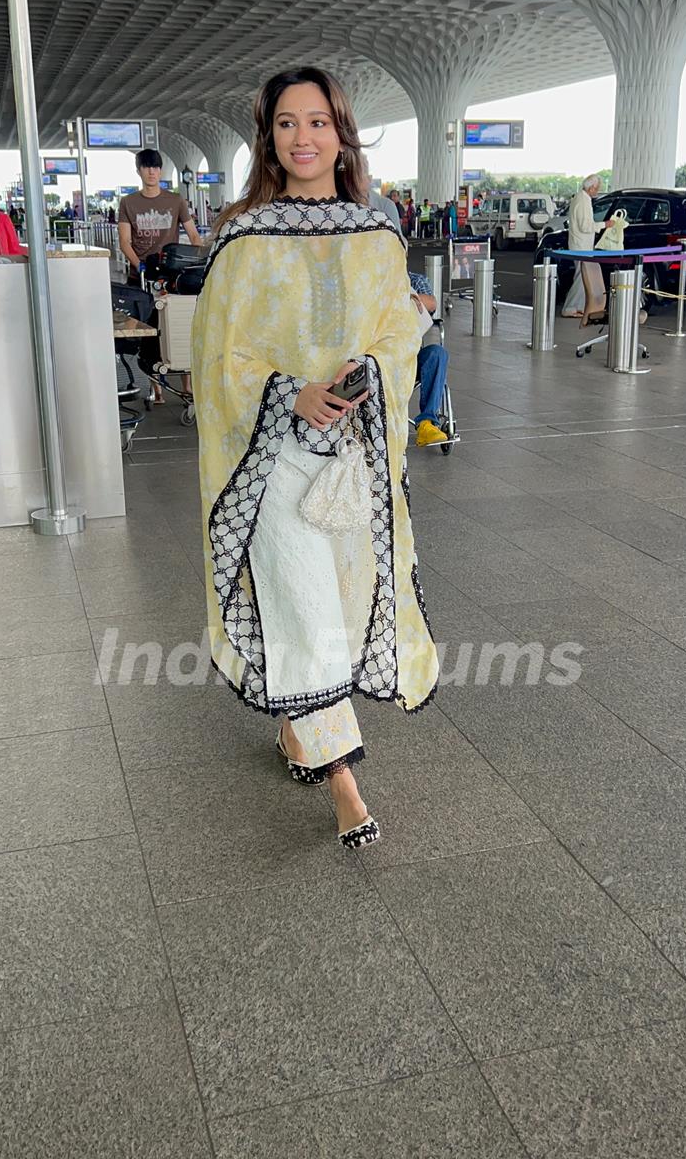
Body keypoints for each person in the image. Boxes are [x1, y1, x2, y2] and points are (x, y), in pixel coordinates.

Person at [191, 66, 438, 850]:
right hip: (270, 461)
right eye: (287, 124)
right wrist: (288, 391)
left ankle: (301, 731)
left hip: (351, 462)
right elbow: (217, 355)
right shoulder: (243, 234)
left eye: (318, 122)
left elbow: (400, 332)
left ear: (341, 133)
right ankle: (344, 783)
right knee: (302, 605)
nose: (303, 138)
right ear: (269, 138)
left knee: (339, 598)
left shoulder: (376, 232)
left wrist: (368, 371)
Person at [119, 148, 203, 402]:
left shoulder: (176, 201)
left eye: (155, 167)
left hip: (172, 277)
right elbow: (125, 241)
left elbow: (194, 235)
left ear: (161, 170)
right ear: (139, 171)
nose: (152, 172)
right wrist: (139, 265)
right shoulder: (128, 203)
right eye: (146, 167)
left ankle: (186, 384)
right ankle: (156, 388)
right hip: (142, 278)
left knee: (181, 325)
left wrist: (198, 261)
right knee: (151, 332)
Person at [409, 271, 450, 447]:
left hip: (410, 355)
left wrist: (402, 292)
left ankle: (426, 423)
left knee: (437, 353)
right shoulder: (370, 275)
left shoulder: (415, 279)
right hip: (379, 357)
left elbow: (432, 304)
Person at [567, 174, 614, 324]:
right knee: (581, 277)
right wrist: (604, 225)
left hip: (581, 245)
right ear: (591, 187)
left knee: (582, 277)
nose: (598, 191)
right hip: (581, 246)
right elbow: (585, 226)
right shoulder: (582, 201)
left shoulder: (582, 199)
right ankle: (570, 307)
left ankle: (578, 307)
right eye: (597, 188)